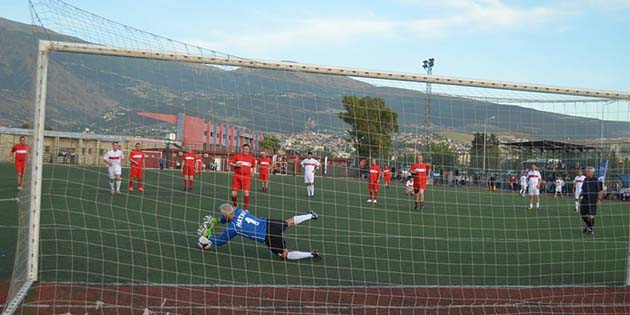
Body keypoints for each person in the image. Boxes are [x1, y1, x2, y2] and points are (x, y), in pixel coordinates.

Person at [197, 203, 320, 260]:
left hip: (268, 236)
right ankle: (311, 215)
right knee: (289, 222)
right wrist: (218, 221)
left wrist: (209, 237)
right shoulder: (240, 210)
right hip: (269, 223)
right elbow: (228, 217)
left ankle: (311, 254)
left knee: (284, 255)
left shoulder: (233, 228)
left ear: (227, 216)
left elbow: (220, 241)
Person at [229, 143, 256, 210]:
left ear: (249, 150)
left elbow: (253, 166)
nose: (245, 150)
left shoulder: (251, 158)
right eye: (244, 149)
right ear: (242, 149)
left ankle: (246, 209)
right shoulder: (237, 156)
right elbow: (230, 163)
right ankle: (235, 205)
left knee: (246, 192)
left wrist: (253, 172)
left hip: (246, 177)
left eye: (247, 149)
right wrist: (235, 165)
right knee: (233, 194)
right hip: (237, 176)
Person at [579, 167, 603, 235]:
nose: (587, 173)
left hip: (592, 201)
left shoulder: (596, 180)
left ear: (592, 172)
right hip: (584, 200)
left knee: (591, 216)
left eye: (589, 172)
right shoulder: (585, 180)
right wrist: (580, 196)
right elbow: (583, 189)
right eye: (587, 171)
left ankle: (590, 229)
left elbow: (600, 191)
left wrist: (599, 200)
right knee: (582, 214)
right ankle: (588, 226)